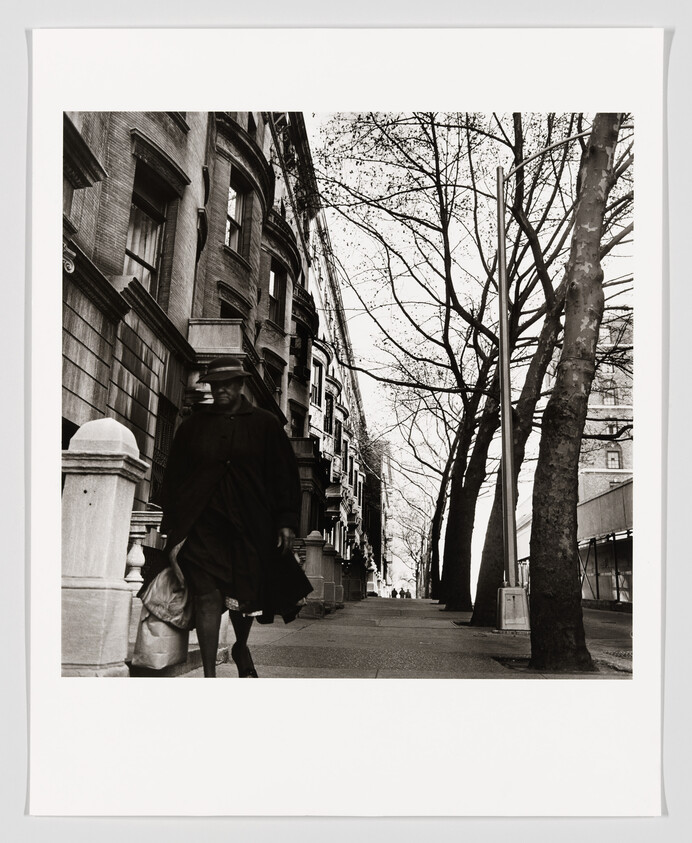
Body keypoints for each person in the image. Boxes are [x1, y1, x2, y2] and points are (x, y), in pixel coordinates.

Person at [158, 356, 311, 678]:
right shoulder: (193, 427)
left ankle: (241, 645)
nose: (222, 390)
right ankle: (210, 675)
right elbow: (174, 477)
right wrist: (171, 524)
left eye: (228, 384)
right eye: (216, 385)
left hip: (250, 525)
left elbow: (284, 475)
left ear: (240, 385)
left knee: (244, 599)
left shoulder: (265, 424)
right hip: (202, 526)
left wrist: (286, 520)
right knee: (207, 597)